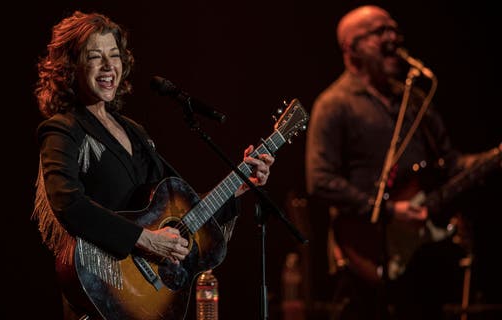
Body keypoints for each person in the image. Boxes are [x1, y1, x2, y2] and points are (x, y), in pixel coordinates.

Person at [31, 10, 275, 320]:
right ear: (71, 68)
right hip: (101, 292)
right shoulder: (63, 129)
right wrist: (146, 240)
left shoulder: (134, 131)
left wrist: (238, 188)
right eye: (95, 56)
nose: (108, 66)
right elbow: (68, 203)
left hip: (145, 297)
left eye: (115, 56)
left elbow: (180, 211)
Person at [304, 5, 501, 320]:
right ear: (350, 47)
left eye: (394, 29)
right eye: (380, 31)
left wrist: (494, 158)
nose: (393, 37)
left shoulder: (414, 101)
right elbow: (321, 180)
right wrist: (389, 210)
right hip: (363, 257)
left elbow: (451, 165)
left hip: (419, 256)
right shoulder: (334, 104)